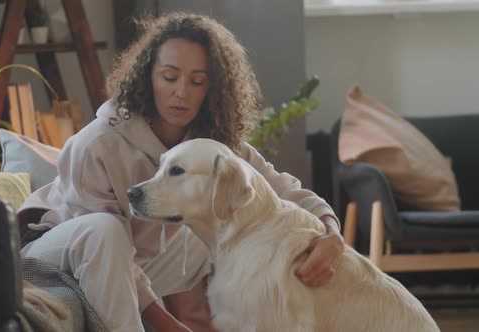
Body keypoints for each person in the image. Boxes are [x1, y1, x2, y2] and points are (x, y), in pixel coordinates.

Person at [18, 12, 344, 332]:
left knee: (232, 214)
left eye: (197, 81)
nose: (181, 92)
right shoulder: (98, 143)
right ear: (149, 76)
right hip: (56, 252)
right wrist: (165, 323)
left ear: (212, 88)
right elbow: (105, 246)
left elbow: (282, 190)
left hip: (138, 259)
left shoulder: (212, 146)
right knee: (106, 230)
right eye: (170, 77)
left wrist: (331, 233)